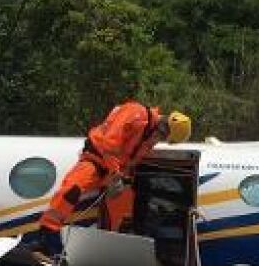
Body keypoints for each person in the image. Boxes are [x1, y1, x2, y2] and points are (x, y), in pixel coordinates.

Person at [29, 101, 192, 257]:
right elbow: (109, 143)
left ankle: (108, 248)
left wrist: (124, 179)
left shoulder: (150, 138)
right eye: (163, 133)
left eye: (164, 137)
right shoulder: (136, 112)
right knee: (72, 189)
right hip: (96, 159)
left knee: (125, 209)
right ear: (164, 122)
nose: (159, 138)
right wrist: (115, 174)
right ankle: (47, 234)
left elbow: (132, 160)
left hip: (113, 173)